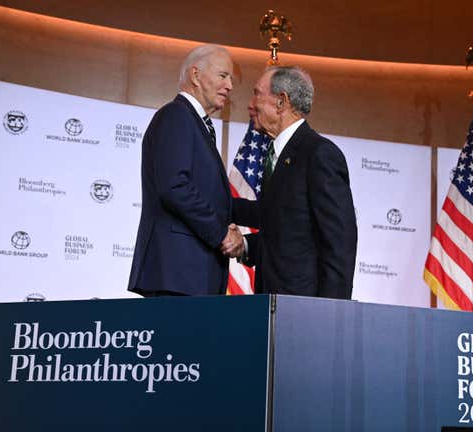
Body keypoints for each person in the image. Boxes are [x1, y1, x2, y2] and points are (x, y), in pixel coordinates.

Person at [226, 66, 357, 299]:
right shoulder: (275, 154)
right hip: (272, 303)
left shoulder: (318, 154)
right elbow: (285, 229)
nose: (250, 104)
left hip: (305, 307)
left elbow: (339, 242)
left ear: (281, 102)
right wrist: (244, 243)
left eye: (257, 94)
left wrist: (332, 312)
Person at [129, 44, 244, 297]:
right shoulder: (176, 116)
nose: (230, 86)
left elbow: (210, 197)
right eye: (223, 76)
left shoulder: (194, 123)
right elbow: (174, 187)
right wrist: (221, 233)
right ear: (195, 75)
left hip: (189, 275)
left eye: (230, 79)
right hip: (175, 273)